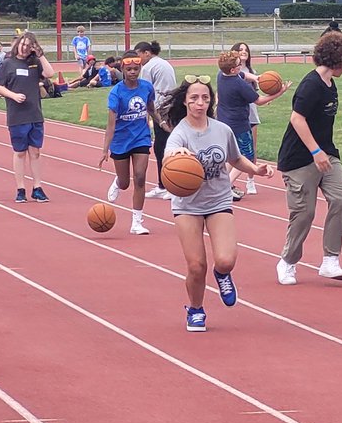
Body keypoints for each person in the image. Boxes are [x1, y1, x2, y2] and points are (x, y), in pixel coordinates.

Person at [163, 74, 275, 332]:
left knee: (225, 260)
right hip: (187, 205)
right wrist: (176, 155)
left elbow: (235, 159)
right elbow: (170, 156)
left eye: (205, 98)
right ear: (185, 102)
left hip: (218, 200)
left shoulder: (222, 129)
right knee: (196, 266)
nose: (200, 103)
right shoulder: (179, 134)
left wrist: (255, 169)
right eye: (194, 98)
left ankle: (222, 274)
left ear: (211, 101)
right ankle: (195, 309)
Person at [275, 31, 342, 285]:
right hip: (299, 158)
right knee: (304, 213)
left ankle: (330, 260)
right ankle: (288, 261)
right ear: (339, 59)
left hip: (327, 154)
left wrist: (323, 152)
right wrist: (315, 151)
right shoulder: (311, 84)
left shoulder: (330, 84)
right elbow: (296, 118)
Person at [215, 46, 288, 201]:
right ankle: (226, 186)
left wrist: (256, 78)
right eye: (238, 64)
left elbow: (243, 74)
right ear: (233, 69)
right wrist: (279, 92)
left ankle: (220, 183)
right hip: (239, 125)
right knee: (246, 157)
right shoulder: (239, 84)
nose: (240, 66)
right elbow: (259, 101)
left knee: (231, 155)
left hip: (223, 122)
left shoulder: (221, 75)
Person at [0, 31, 57, 203]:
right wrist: (13, 96)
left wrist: (40, 54)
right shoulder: (8, 63)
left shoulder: (35, 63)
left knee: (35, 152)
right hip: (17, 115)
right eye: (23, 44)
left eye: (29, 46)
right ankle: (20, 188)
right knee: (20, 152)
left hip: (34, 113)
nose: (24, 48)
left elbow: (50, 73)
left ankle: (37, 187)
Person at [99, 52, 159, 235]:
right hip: (121, 140)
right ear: (123, 69)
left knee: (140, 177)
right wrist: (104, 150)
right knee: (125, 182)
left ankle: (137, 222)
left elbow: (151, 109)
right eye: (129, 69)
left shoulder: (147, 87)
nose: (133, 72)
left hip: (141, 137)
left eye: (136, 69)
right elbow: (111, 125)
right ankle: (118, 181)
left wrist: (162, 123)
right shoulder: (116, 93)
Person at [138, 40, 177, 200]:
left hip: (161, 110)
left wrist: (146, 115)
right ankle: (163, 185)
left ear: (147, 53)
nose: (137, 60)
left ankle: (169, 186)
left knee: (163, 148)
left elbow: (145, 92)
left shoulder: (148, 67)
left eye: (139, 55)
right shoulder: (163, 63)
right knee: (164, 146)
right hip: (170, 106)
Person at [235, 42, 264, 195]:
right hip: (237, 116)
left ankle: (250, 180)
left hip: (251, 114)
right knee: (235, 150)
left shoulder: (252, 71)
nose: (244, 52)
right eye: (240, 49)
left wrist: (266, 98)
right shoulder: (231, 71)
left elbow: (256, 94)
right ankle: (227, 181)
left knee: (251, 148)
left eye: (246, 50)